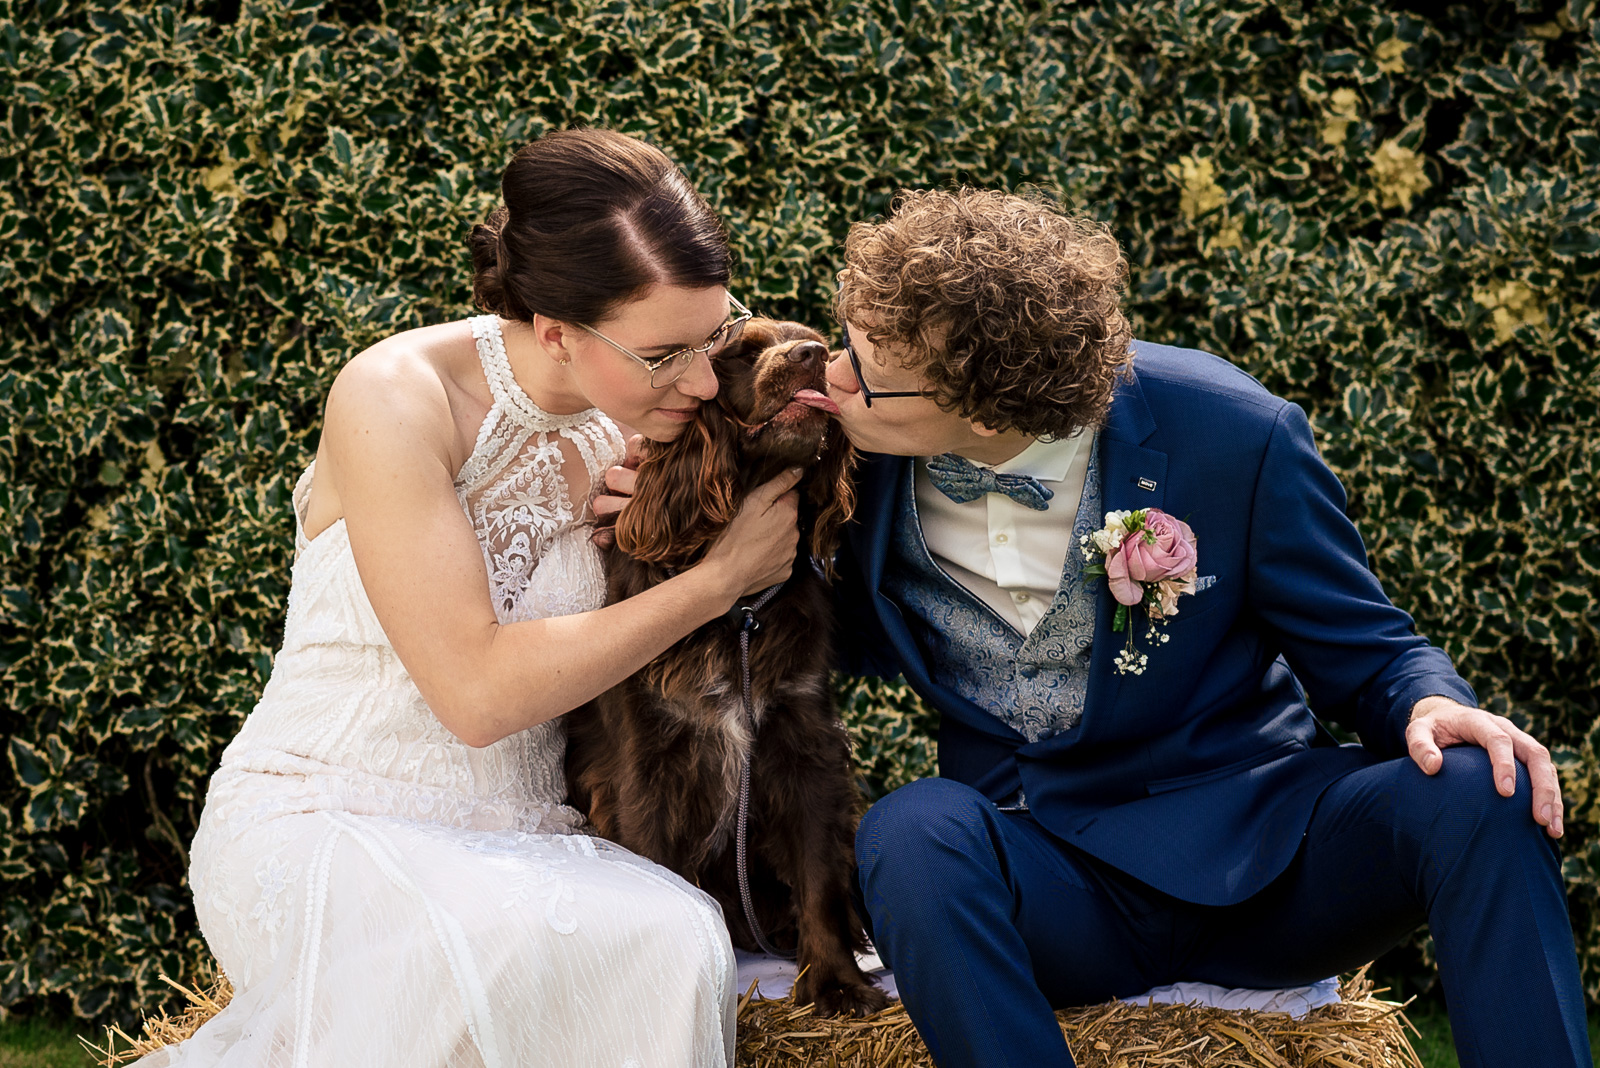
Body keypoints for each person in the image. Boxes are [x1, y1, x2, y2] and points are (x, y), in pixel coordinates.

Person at [601, 186, 1586, 1067]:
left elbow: (1370, 650)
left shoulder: (1230, 432)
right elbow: (787, 630)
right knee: (911, 829)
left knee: (1478, 785)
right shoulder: (854, 474)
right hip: (1051, 887)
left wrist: (1431, 704)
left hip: (1267, 857)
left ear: (979, 406)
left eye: (863, 364)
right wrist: (663, 518)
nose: (835, 372)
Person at [139, 128, 802, 1068]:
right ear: (558, 329)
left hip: (528, 828)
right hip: (329, 812)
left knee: (675, 936)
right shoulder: (395, 396)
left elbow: (812, 441)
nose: (700, 379)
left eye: (717, 336)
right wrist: (714, 580)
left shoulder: (662, 422)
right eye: (665, 354)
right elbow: (477, 695)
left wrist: (733, 527)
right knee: (488, 950)